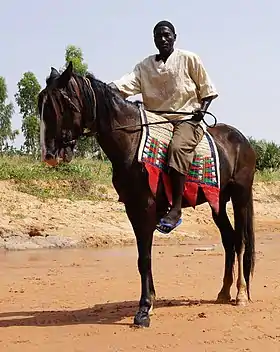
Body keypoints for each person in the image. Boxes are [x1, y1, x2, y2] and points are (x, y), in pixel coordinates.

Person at [109, 20, 218, 234]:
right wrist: (101, 88)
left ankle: (176, 209)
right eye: (158, 36)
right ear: (154, 40)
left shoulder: (189, 59)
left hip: (186, 119)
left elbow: (208, 91)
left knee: (177, 148)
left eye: (167, 35)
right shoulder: (145, 66)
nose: (163, 39)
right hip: (155, 120)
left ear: (175, 37)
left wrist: (201, 111)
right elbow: (125, 84)